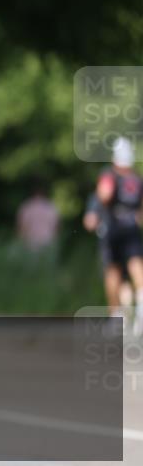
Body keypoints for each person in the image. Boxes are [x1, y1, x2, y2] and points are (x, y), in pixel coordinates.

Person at [95, 137, 143, 335]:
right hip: (132, 228)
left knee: (113, 272)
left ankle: (117, 315)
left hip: (113, 229)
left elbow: (104, 195)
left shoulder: (109, 175)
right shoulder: (137, 178)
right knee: (135, 267)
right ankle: (137, 310)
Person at [84, 193, 133, 318]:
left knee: (116, 276)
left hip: (118, 240)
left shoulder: (105, 193)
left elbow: (89, 221)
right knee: (119, 277)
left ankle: (121, 315)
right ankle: (121, 314)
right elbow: (90, 220)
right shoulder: (98, 197)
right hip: (115, 240)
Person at [16, 180, 59, 262]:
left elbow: (21, 227)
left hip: (30, 243)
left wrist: (21, 242)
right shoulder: (50, 207)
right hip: (48, 241)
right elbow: (56, 227)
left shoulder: (26, 206)